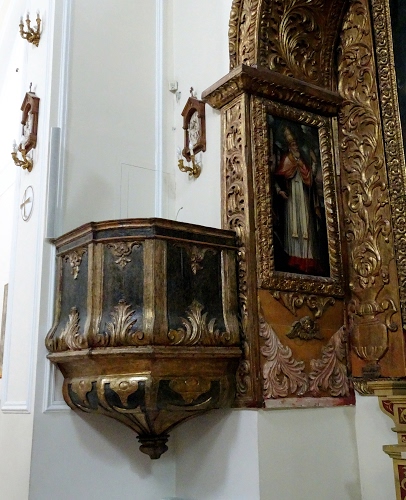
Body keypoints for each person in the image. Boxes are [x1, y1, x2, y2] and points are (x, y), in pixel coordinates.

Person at [273, 126, 327, 276]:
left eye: (295, 143)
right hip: (292, 198)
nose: (295, 146)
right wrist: (280, 190)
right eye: (292, 144)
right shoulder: (286, 159)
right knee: (294, 225)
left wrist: (314, 163)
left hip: (302, 196)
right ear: (289, 146)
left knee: (306, 225)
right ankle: (294, 257)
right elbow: (278, 176)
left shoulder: (302, 159)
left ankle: (309, 258)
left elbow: (310, 177)